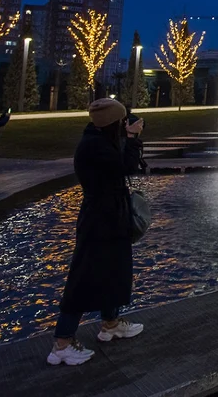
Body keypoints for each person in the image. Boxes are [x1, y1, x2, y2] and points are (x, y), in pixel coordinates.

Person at [47, 98, 144, 366]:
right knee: (84, 278)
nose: (126, 123)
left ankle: (110, 323)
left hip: (110, 219)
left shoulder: (100, 140)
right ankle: (62, 342)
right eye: (123, 121)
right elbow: (126, 167)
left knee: (114, 272)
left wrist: (126, 138)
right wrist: (133, 138)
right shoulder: (95, 146)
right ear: (113, 123)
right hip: (99, 222)